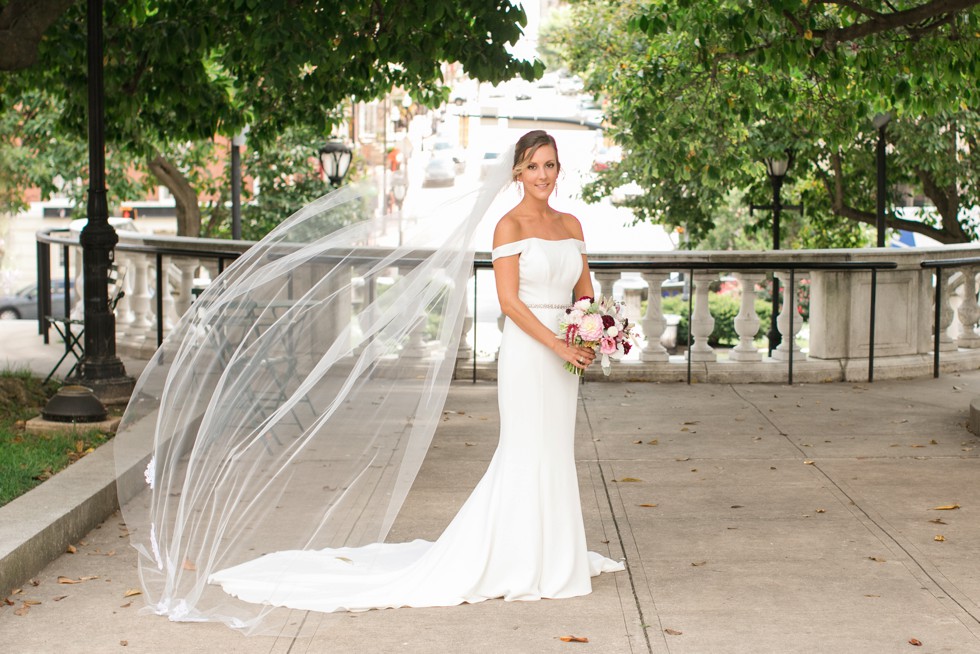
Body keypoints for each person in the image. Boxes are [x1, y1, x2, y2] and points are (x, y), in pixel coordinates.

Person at [205, 130, 624, 613]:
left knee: (556, 448)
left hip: (566, 354)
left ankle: (557, 553)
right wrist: (556, 342)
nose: (542, 175)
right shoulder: (507, 227)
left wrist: (589, 333)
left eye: (549, 165)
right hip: (531, 354)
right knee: (526, 448)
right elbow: (509, 301)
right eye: (533, 166)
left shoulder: (571, 223)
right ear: (517, 172)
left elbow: (585, 291)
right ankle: (518, 557)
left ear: (559, 169)